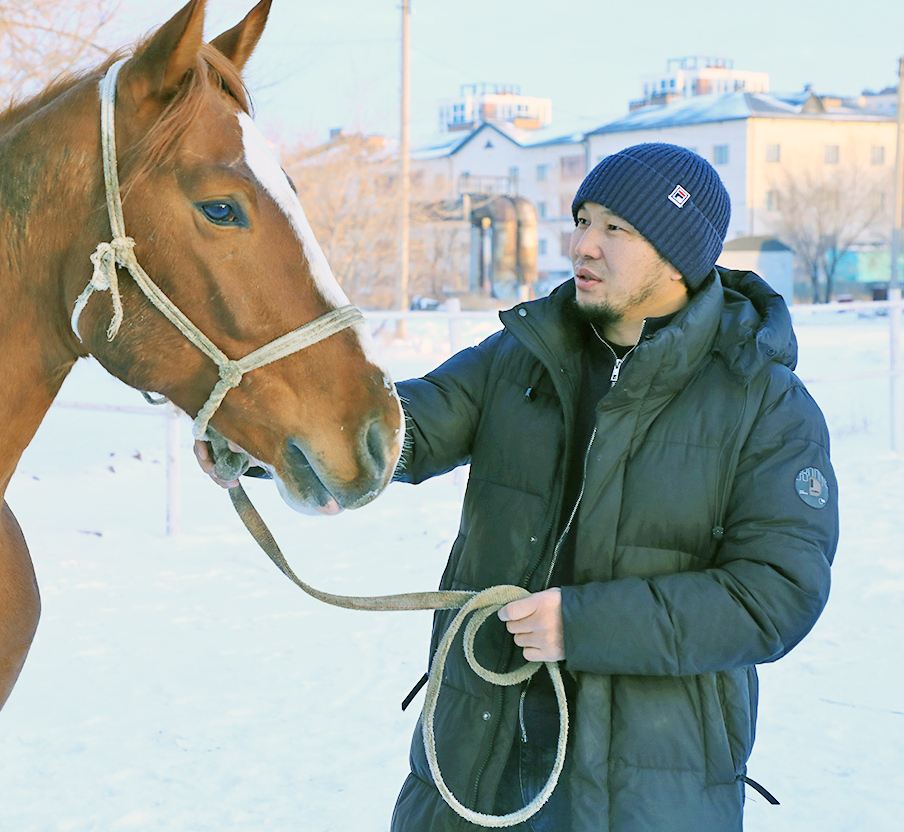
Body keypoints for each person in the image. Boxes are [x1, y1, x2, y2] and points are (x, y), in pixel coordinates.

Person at [196, 142, 837, 832]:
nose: (582, 245)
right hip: (479, 749)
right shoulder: (525, 352)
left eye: (615, 228)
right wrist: (268, 440)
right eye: (582, 220)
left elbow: (773, 594)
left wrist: (583, 625)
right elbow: (409, 426)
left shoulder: (762, 401)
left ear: (678, 255)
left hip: (648, 785)